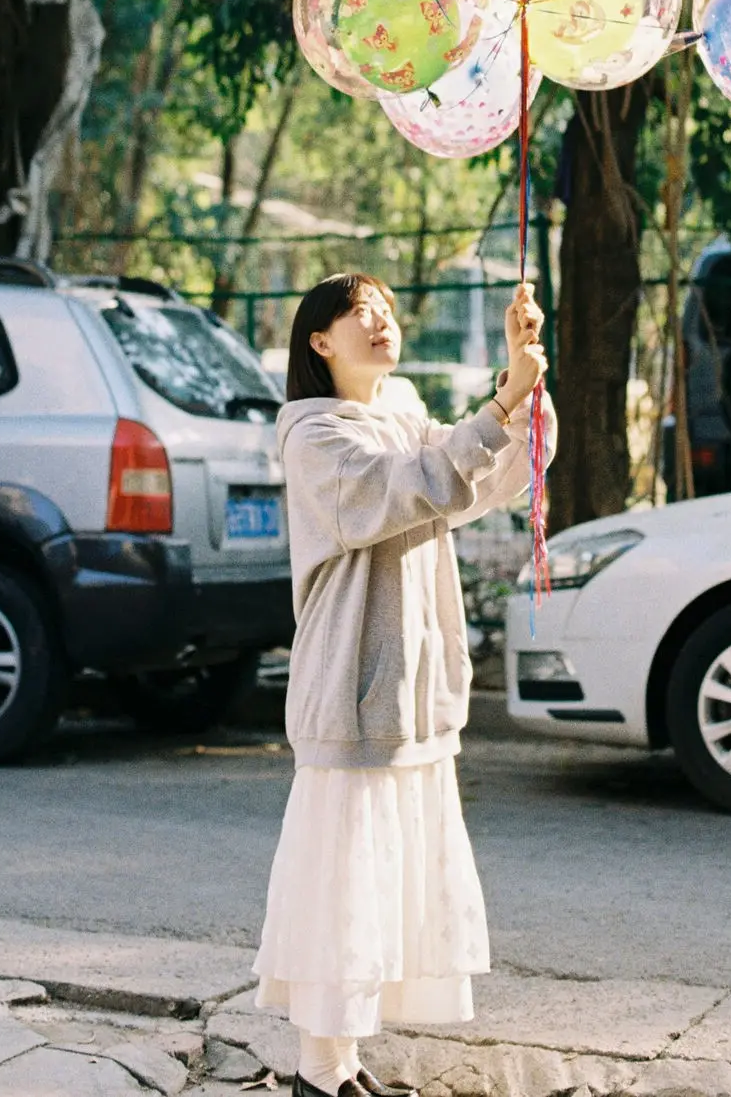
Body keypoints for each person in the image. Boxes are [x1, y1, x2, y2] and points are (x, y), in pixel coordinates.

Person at [254, 271, 557, 1097]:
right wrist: (500, 404)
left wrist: (522, 376)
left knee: (382, 879)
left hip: (414, 683)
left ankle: (342, 1065)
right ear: (320, 340)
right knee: (342, 881)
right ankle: (318, 1070)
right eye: (362, 311)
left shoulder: (404, 412)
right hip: (352, 685)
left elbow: (484, 479)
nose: (381, 320)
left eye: (386, 309)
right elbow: (407, 488)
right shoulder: (314, 434)